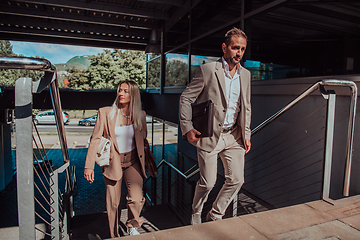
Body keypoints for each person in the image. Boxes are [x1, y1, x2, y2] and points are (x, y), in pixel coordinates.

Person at [179, 27, 251, 224]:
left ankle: (216, 213)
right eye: (236, 48)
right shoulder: (208, 70)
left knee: (237, 179)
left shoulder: (246, 75)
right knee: (208, 182)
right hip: (209, 135)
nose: (239, 53)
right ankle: (196, 212)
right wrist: (187, 127)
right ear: (224, 47)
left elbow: (246, 106)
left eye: (243, 49)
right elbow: (186, 98)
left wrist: (247, 133)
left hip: (234, 136)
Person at [84, 80, 147, 237]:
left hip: (133, 161)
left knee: (137, 198)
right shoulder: (105, 113)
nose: (121, 93)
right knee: (113, 203)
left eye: (125, 91)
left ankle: (132, 225)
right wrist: (88, 166)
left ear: (133, 94)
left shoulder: (141, 115)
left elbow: (143, 140)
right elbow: (96, 139)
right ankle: (114, 235)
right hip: (113, 162)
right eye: (120, 90)